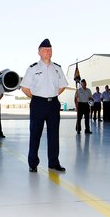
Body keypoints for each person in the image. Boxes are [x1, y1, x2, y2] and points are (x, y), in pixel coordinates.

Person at [20, 38, 68, 173]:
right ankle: (33, 163)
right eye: (46, 50)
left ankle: (53, 162)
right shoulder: (33, 68)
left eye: (50, 49)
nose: (48, 52)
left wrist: (51, 95)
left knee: (54, 135)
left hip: (53, 104)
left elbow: (62, 86)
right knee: (35, 134)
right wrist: (37, 97)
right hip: (38, 104)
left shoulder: (57, 68)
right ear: (39, 52)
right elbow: (25, 88)